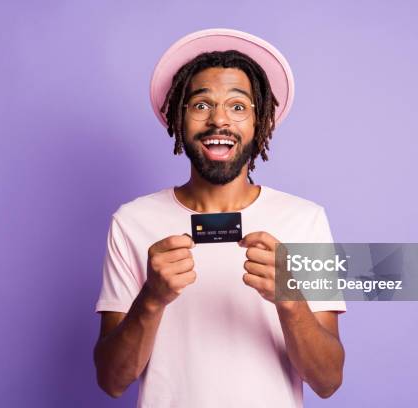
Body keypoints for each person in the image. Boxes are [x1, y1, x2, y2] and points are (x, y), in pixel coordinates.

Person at [93, 28, 346, 407]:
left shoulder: (305, 220)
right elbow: (112, 381)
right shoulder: (132, 222)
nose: (219, 121)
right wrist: (151, 299)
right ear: (178, 119)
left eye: (238, 106)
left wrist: (290, 300)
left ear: (261, 124)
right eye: (201, 105)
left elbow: (327, 381)